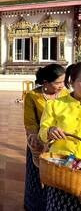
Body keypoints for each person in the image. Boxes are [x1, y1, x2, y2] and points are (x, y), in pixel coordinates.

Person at [23, 64, 67, 211]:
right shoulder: (33, 96)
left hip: (60, 145)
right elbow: (30, 123)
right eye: (58, 83)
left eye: (63, 82)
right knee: (37, 179)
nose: (62, 86)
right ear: (46, 82)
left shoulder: (67, 95)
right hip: (38, 144)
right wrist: (35, 140)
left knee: (57, 180)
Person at [39, 63, 81, 210]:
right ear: (72, 82)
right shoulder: (55, 104)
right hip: (61, 167)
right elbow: (42, 132)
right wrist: (50, 131)